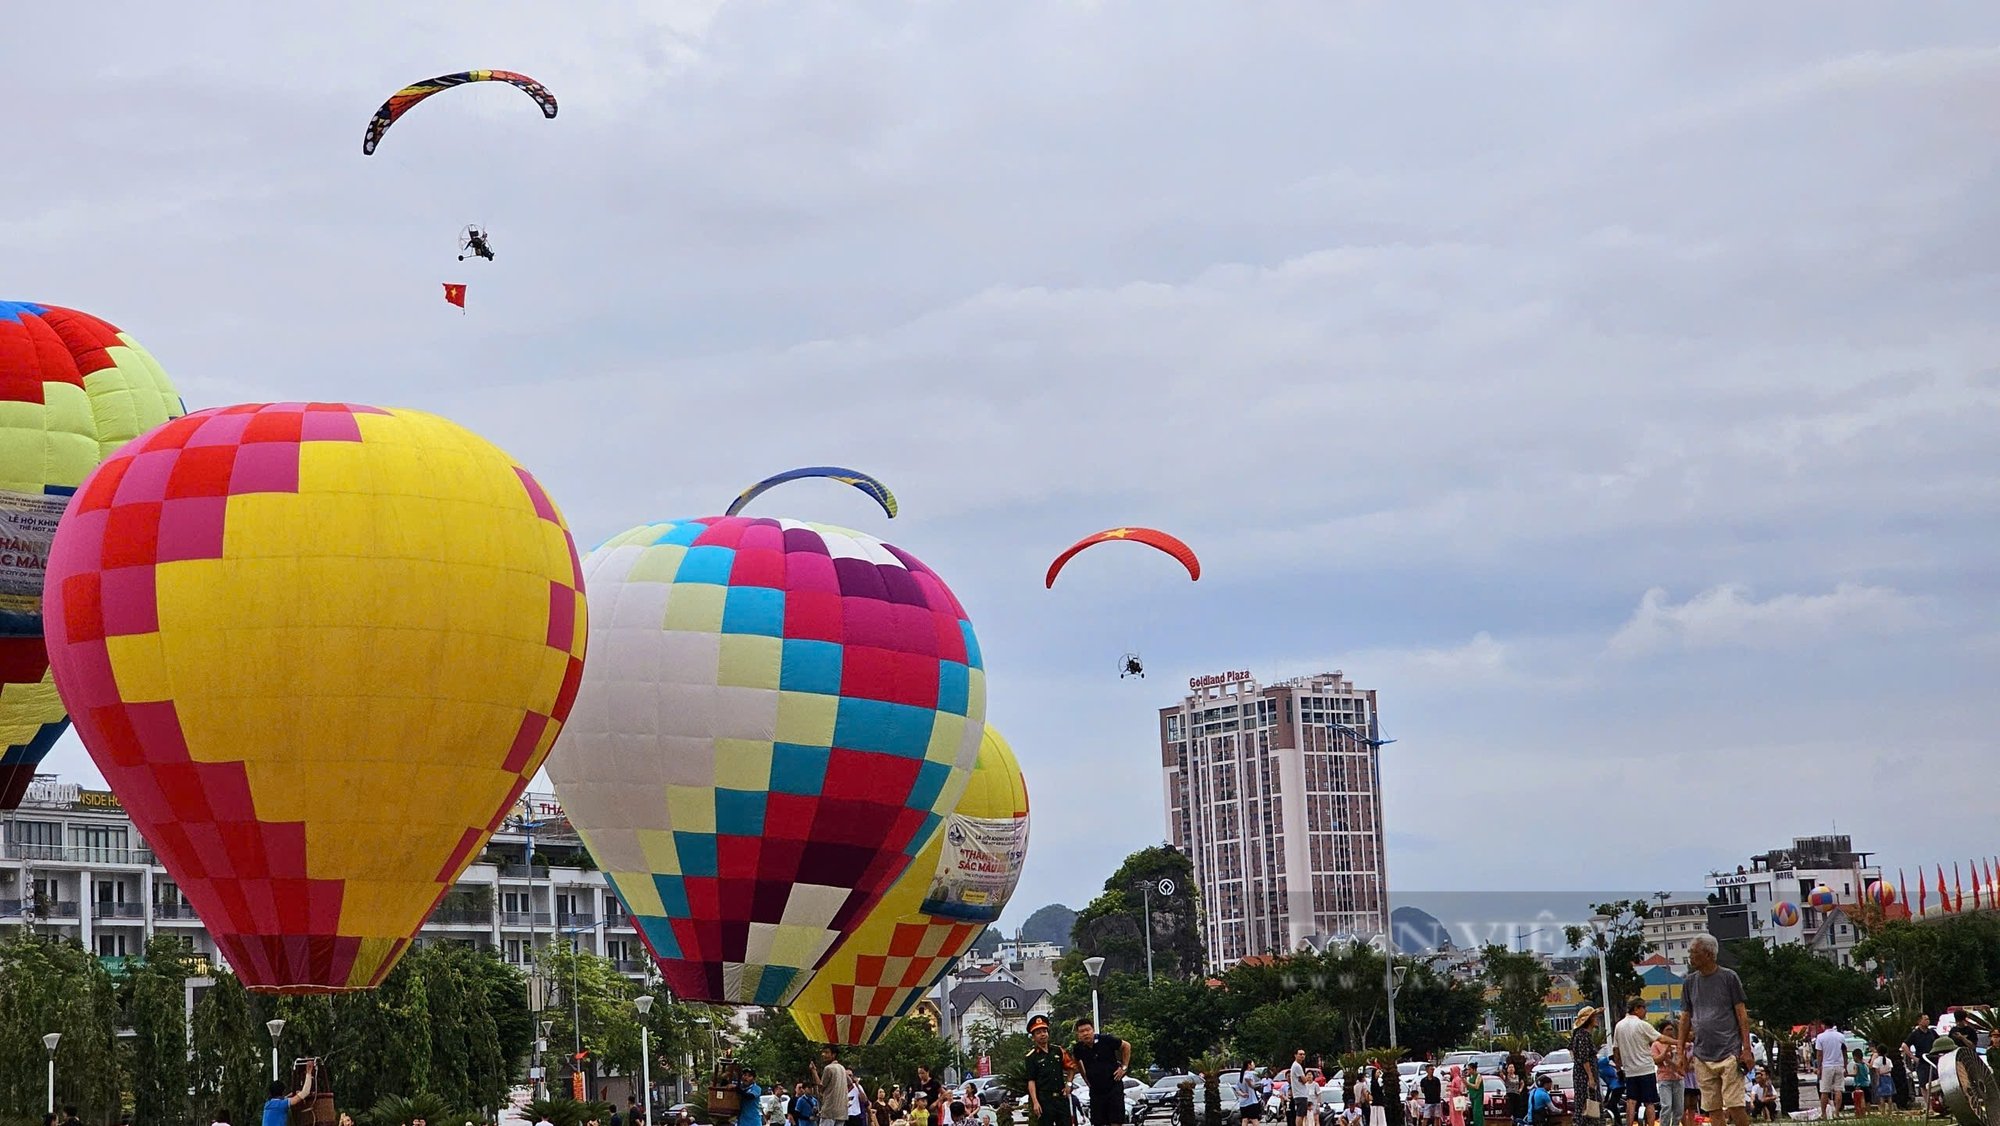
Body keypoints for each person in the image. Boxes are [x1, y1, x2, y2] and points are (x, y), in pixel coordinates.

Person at [1675, 934, 1752, 1126]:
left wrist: (1746, 1048)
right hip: (1702, 1054)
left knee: (1735, 1105)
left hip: (1729, 1051)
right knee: (1712, 1108)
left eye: (1694, 952)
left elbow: (1741, 1014)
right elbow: (1685, 1018)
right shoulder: (1689, 983)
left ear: (1708, 954)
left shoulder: (1728, 977)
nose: (1690, 957)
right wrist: (1680, 1052)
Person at [1612, 999, 1662, 1126]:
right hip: (1646, 1068)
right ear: (1636, 1009)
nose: (1646, 1011)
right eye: (1644, 1008)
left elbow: (1616, 1050)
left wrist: (1619, 1068)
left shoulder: (1619, 1025)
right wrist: (1678, 1042)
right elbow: (1660, 1038)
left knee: (1631, 1101)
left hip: (1630, 1071)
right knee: (1649, 1102)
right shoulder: (1642, 1025)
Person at [1571, 1007, 1604, 1126]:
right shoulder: (1583, 1035)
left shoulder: (1581, 1035)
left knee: (1588, 1104)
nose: (1596, 1020)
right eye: (1594, 1017)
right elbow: (1584, 1058)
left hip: (1583, 1075)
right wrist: (1590, 1077)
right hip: (1584, 1077)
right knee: (1587, 1105)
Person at [1651, 1021, 1686, 1126]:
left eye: (1672, 1029)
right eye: (1667, 1029)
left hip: (1678, 1079)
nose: (1670, 1032)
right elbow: (1657, 1060)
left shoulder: (1677, 1045)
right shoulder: (1656, 1044)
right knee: (1667, 1106)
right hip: (1664, 1079)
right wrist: (1666, 1050)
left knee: (1679, 1108)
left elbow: (1683, 1061)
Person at [1811, 1020, 1846, 1120]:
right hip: (1839, 1065)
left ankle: (1824, 1114)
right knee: (1838, 1090)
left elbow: (1819, 1054)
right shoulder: (1840, 1036)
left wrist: (1819, 1068)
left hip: (1827, 1066)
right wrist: (1845, 1065)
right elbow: (1844, 1051)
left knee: (1824, 1091)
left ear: (1824, 1025)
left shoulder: (1821, 1037)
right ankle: (1837, 1113)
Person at [264, 1060, 316, 1126]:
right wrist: (309, 1072)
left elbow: (282, 1099)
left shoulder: (268, 1104)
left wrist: (292, 1094)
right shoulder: (282, 1105)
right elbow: (305, 1092)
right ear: (282, 1092)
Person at [813, 1048, 850, 1126]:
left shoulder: (829, 1068)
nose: (823, 1055)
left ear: (833, 1055)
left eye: (826, 1052)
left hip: (829, 1111)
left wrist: (814, 1071)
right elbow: (850, 1082)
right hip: (842, 1112)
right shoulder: (842, 1068)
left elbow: (821, 1087)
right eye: (823, 1052)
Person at [1848, 1048, 1871, 1116]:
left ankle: (1862, 1113)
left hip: (1859, 1085)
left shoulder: (1856, 1065)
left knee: (1861, 1099)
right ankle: (1868, 1112)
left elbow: (1855, 1074)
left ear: (1855, 1056)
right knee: (1868, 1100)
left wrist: (1847, 1074)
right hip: (1866, 1084)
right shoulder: (1865, 1065)